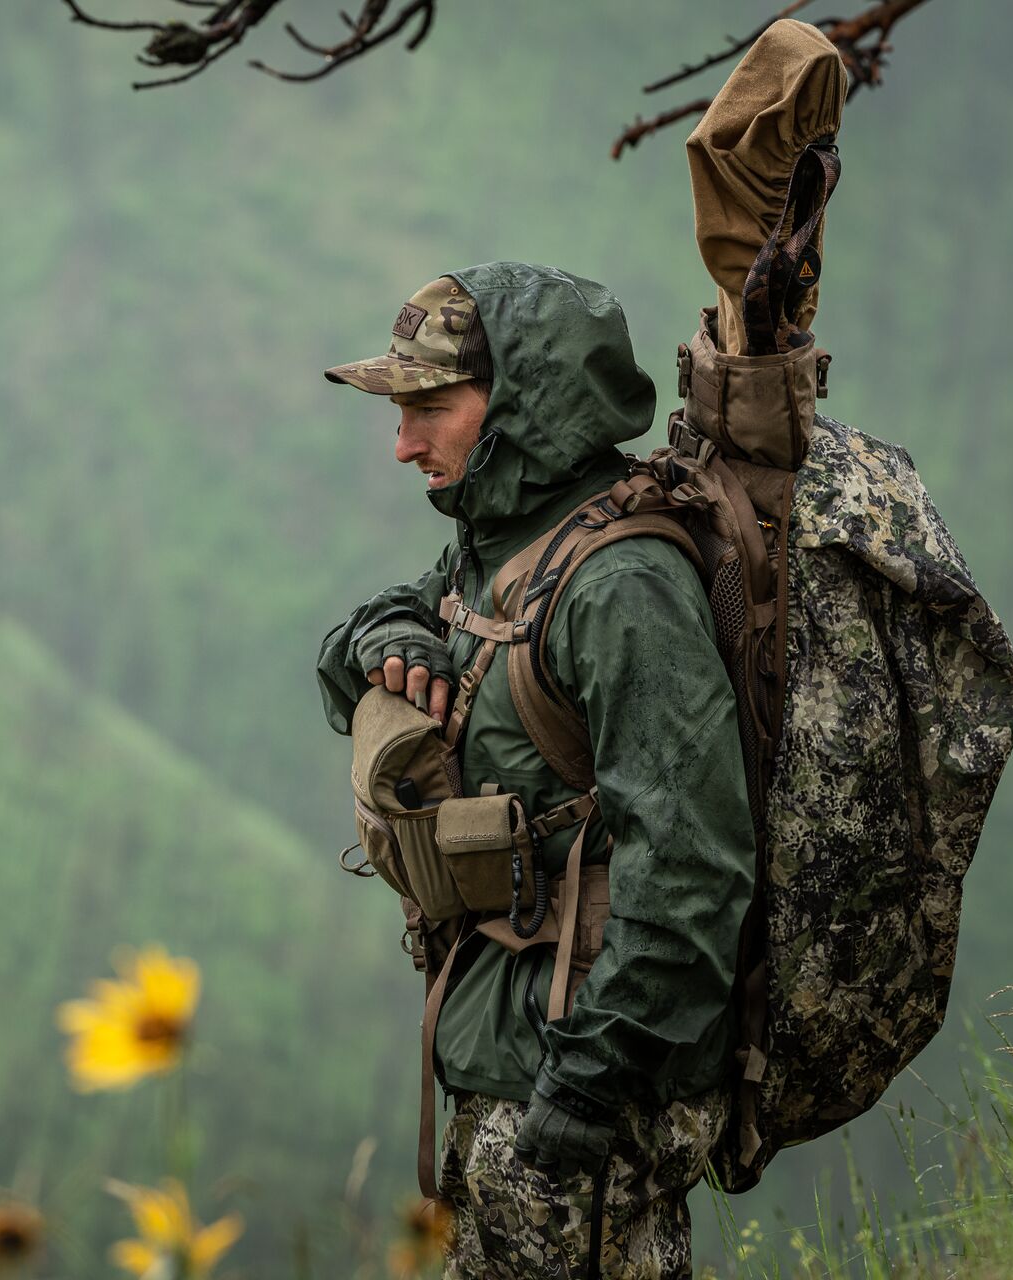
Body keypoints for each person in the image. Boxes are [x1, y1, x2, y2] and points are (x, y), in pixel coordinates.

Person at [317, 262, 756, 1279]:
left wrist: (587, 1085)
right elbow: (345, 668)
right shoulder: (501, 545)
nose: (403, 442)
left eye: (430, 406)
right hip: (506, 1057)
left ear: (520, 403)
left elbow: (692, 862)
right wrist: (378, 632)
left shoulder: (621, 584)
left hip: (582, 1092)